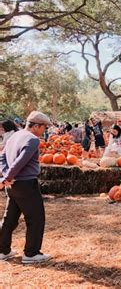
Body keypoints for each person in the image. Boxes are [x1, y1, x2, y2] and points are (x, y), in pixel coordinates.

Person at [0, 111, 52, 263]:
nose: (45, 131)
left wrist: (5, 177)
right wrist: (6, 178)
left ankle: (2, 250)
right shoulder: (32, 139)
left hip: (13, 186)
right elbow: (20, 162)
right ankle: (31, 254)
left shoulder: (14, 136)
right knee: (36, 218)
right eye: (44, 127)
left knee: (9, 218)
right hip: (26, 184)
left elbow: (2, 158)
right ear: (35, 126)